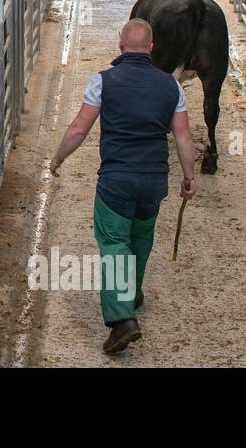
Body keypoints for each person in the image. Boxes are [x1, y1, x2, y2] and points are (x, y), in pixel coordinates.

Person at [48, 19, 197, 355]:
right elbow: (183, 137)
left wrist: (58, 159)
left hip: (116, 181)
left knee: (115, 242)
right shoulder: (172, 87)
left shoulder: (104, 81)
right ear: (152, 47)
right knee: (141, 238)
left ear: (120, 47)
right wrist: (188, 177)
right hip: (154, 180)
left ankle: (121, 320)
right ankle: (130, 293)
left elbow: (78, 128)